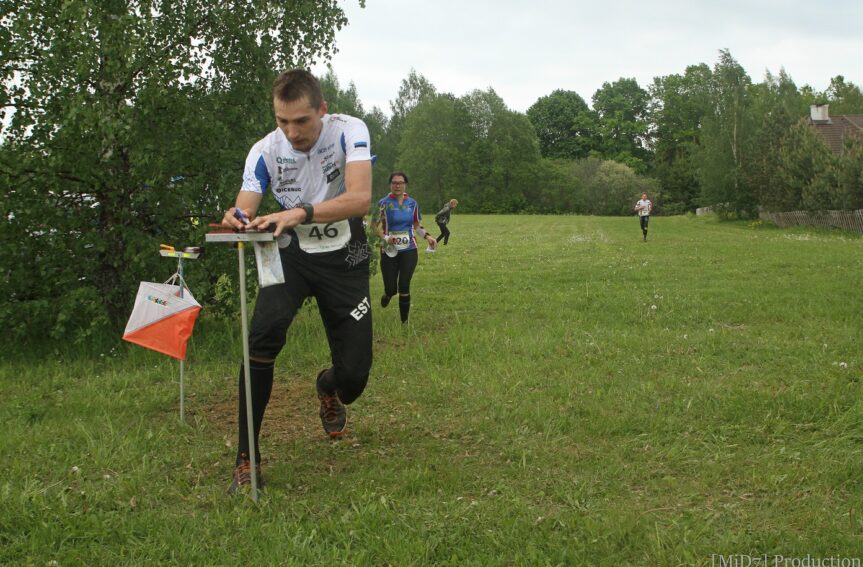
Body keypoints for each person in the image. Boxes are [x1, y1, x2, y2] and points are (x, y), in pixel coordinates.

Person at [220, 69, 374, 494]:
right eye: (282, 121)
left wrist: (301, 211)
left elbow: (361, 198)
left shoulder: (350, 131)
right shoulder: (264, 150)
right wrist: (239, 217)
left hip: (346, 253)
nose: (292, 132)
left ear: (322, 110)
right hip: (289, 253)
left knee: (354, 380)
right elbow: (246, 204)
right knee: (261, 339)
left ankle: (328, 387)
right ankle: (246, 460)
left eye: (302, 121)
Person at [372, 172, 436, 323]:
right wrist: (386, 238)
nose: (397, 185)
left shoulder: (412, 203)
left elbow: (416, 225)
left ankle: (404, 323)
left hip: (409, 249)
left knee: (404, 285)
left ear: (405, 184)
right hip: (389, 250)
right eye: (394, 183)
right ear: (390, 185)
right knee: (391, 288)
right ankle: (388, 294)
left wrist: (427, 236)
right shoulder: (383, 203)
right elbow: (374, 226)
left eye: (400, 182)